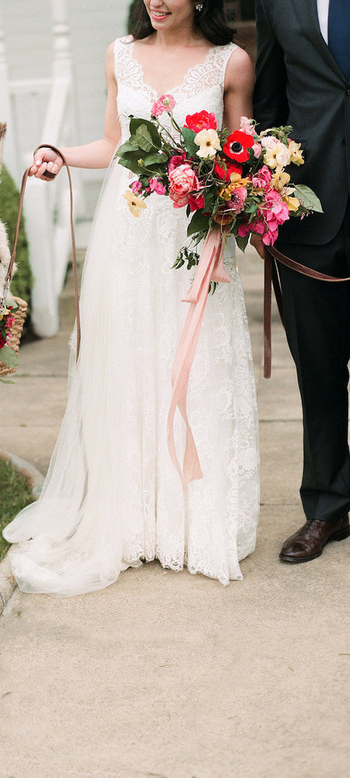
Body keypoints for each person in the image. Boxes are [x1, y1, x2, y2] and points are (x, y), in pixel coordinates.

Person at [3, 0, 259, 596]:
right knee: (129, 366)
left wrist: (239, 201)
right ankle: (135, 518)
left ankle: (196, 524)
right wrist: (61, 154)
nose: (156, 1)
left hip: (193, 241)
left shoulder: (232, 63)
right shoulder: (119, 55)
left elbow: (243, 154)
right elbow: (116, 145)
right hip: (128, 236)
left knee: (197, 371)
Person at [253, 0, 350, 563]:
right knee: (318, 369)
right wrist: (268, 198)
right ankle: (326, 510)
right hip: (309, 214)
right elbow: (269, 101)